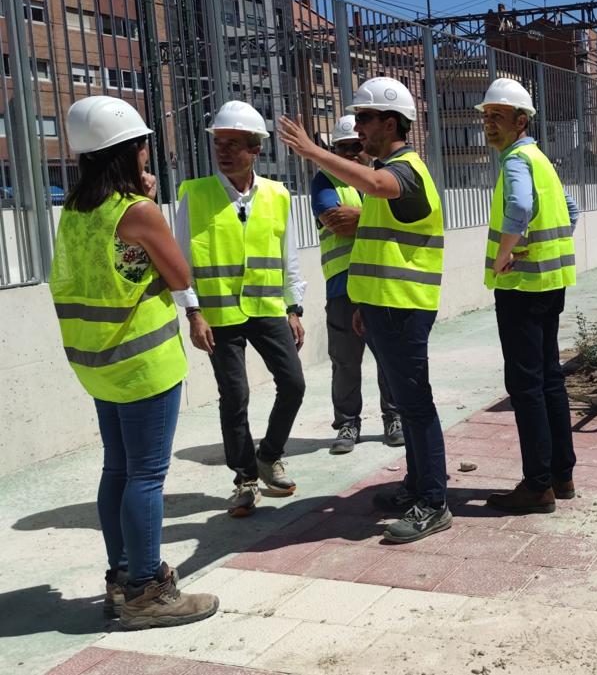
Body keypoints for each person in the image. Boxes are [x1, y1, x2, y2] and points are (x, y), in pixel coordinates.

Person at [50, 95, 218, 630]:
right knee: (146, 476)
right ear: (131, 149)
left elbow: (119, 263)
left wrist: (138, 201)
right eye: (144, 144)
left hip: (96, 361)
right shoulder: (137, 211)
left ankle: (121, 577)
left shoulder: (77, 210)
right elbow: (178, 273)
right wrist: (147, 205)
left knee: (118, 469)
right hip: (143, 361)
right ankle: (146, 591)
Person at [278, 76, 451, 544]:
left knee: (416, 406)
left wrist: (315, 152)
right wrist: (362, 304)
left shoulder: (404, 170)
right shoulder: (390, 171)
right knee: (411, 404)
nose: (359, 127)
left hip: (403, 308)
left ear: (390, 122)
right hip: (381, 307)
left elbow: (375, 183)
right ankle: (417, 486)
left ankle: (433, 501)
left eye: (366, 118)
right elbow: (376, 244)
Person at [175, 101, 306, 517]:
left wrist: (294, 305)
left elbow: (289, 256)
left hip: (268, 307)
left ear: (256, 150)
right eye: (219, 142)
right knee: (235, 396)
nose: (224, 150)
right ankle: (245, 478)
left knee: (294, 384)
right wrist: (192, 312)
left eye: (234, 143)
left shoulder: (278, 195)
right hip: (218, 316)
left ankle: (269, 454)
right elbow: (180, 261)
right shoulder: (194, 194)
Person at [477, 78, 580, 515]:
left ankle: (537, 485)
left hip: (521, 287)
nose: (489, 125)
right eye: (485, 117)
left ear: (522, 120)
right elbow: (572, 211)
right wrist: (541, 249)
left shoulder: (517, 160)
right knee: (550, 379)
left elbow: (519, 208)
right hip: (550, 283)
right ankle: (562, 474)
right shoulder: (541, 159)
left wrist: (506, 255)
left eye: (497, 117)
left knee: (526, 385)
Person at [311, 114, 402, 454]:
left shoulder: (382, 180)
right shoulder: (323, 181)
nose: (349, 154)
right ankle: (348, 424)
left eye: (355, 146)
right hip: (343, 287)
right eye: (342, 148)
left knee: (387, 357)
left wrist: (362, 218)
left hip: (380, 283)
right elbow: (339, 225)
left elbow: (400, 218)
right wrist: (376, 219)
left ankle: (393, 418)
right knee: (345, 360)